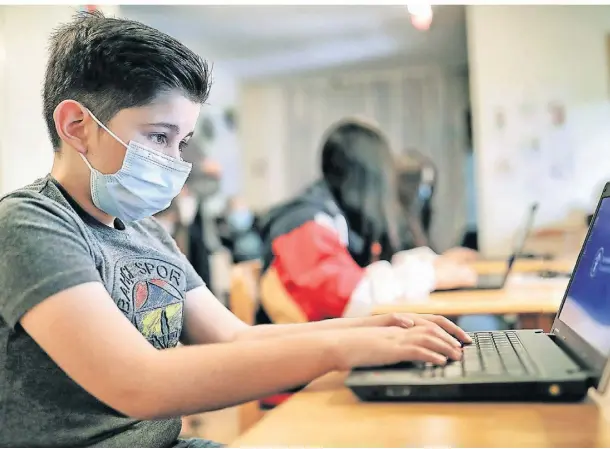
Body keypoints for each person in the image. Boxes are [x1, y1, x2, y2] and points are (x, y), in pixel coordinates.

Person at [0, 12, 471, 448]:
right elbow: (138, 382)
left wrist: (372, 328)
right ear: (77, 126)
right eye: (158, 136)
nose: (175, 161)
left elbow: (234, 338)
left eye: (180, 142)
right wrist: (341, 346)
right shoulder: (30, 225)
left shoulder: (148, 233)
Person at [257, 117, 478, 326]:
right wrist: (433, 276)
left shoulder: (331, 215)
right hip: (319, 359)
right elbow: (356, 297)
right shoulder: (304, 225)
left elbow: (363, 277)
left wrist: (431, 265)